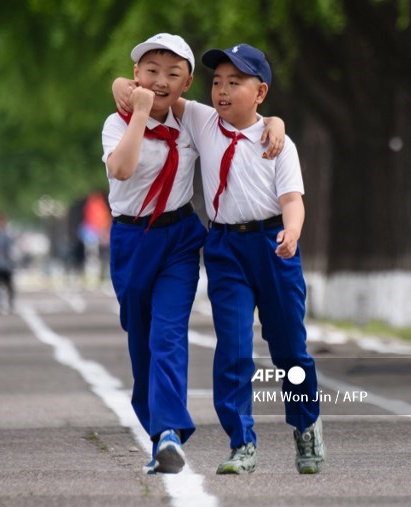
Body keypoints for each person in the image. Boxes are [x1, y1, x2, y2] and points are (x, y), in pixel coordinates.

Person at [109, 34, 287, 475]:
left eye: (173, 74)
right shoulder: (115, 123)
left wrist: (276, 122)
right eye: (151, 71)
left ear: (188, 83)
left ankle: (169, 433)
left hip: (180, 239)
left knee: (167, 335)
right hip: (131, 241)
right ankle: (156, 428)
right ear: (136, 75)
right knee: (140, 341)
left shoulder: (194, 121)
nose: (161, 80)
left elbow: (248, 120)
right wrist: (139, 112)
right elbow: (122, 168)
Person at [180, 44, 324, 474]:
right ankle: (241, 442)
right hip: (225, 249)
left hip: (272, 245)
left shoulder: (280, 143)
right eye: (217, 82)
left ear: (260, 92)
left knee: (289, 349)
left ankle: (306, 425)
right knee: (235, 349)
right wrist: (121, 85)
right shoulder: (203, 122)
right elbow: (156, 93)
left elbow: (293, 200)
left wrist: (293, 232)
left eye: (234, 83)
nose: (221, 91)